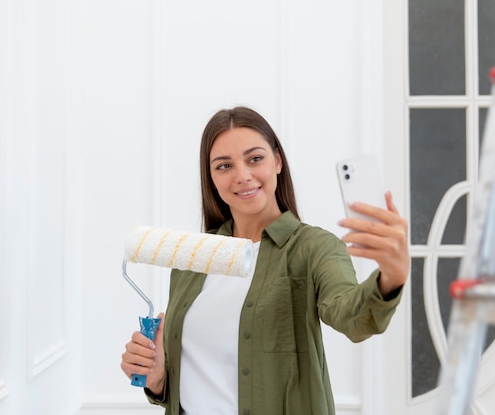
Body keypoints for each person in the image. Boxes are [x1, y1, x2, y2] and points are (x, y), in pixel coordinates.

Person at [121, 106, 409, 415]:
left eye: (254, 159)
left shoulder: (313, 248)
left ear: (278, 161)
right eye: (224, 166)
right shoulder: (192, 256)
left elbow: (353, 318)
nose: (242, 176)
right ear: (212, 178)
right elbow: (198, 373)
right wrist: (159, 380)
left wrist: (391, 277)